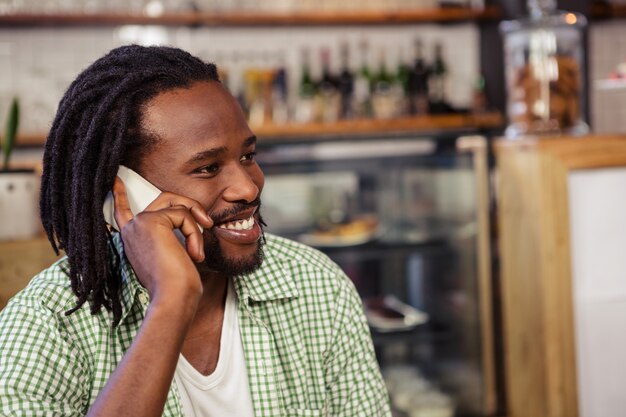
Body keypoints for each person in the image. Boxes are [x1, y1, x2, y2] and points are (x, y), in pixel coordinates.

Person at [0, 45, 391, 416]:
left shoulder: (315, 285)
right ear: (126, 191)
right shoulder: (48, 323)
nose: (249, 187)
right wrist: (172, 302)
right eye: (207, 168)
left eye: (248, 156)